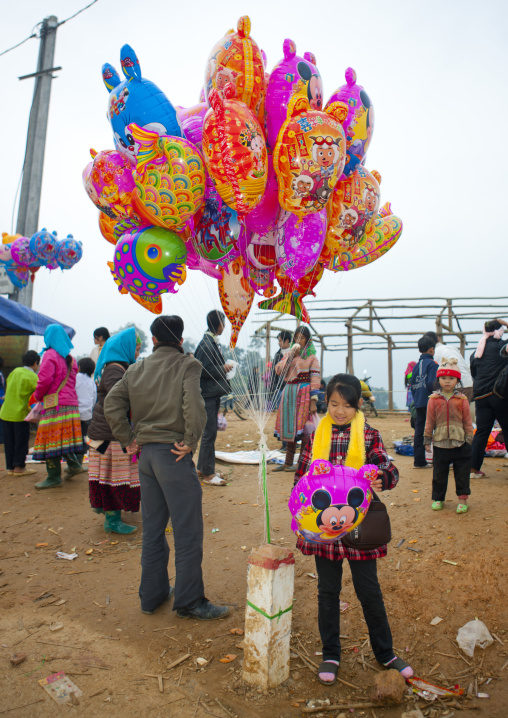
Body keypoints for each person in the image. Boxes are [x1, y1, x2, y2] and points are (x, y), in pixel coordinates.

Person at [104, 315, 229, 620]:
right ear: (181, 338)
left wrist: (129, 440)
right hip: (173, 455)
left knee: (153, 529)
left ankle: (152, 595)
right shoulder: (188, 365)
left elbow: (111, 404)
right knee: (187, 531)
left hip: (145, 457)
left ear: (155, 339)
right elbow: (195, 407)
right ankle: (189, 601)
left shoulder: (137, 368)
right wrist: (190, 441)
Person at [293, 373, 412, 685]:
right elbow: (301, 479)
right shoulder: (315, 434)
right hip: (324, 531)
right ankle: (331, 653)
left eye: (347, 405)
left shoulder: (369, 434)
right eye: (334, 404)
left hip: (359, 529)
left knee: (369, 591)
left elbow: (389, 468)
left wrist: (380, 478)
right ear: (326, 402)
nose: (339, 411)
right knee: (327, 591)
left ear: (358, 404)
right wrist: (302, 515)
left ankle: (385, 653)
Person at [87, 328, 141, 534]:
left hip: (107, 432)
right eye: (136, 349)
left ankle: (110, 514)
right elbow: (119, 401)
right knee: (113, 477)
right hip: (111, 434)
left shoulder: (116, 368)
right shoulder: (114, 371)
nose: (137, 353)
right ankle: (112, 520)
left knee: (109, 476)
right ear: (124, 348)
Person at [32, 325, 84, 489]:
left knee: (51, 441)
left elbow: (44, 380)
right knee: (64, 438)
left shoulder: (50, 355)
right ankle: (74, 465)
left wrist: (38, 397)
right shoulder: (71, 358)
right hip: (70, 405)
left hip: (55, 405)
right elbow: (72, 382)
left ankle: (54, 477)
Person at [424, 358, 474, 513]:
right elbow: (429, 421)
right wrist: (427, 439)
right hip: (440, 443)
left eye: (451, 378)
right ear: (438, 379)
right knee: (439, 473)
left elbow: (467, 420)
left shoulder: (462, 399)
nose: (447, 381)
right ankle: (438, 499)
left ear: (457, 381)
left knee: (462, 472)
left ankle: (463, 500)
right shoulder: (433, 400)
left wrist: (469, 438)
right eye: (444, 378)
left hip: (460, 442)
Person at [273, 325, 321, 471]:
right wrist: (290, 358)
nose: (298, 341)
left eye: (302, 338)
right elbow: (279, 371)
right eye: (296, 338)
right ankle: (288, 462)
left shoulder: (312, 357)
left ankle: (302, 463)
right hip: (289, 393)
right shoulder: (289, 355)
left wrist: (313, 400)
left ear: (307, 339)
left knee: (304, 428)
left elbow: (315, 378)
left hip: (304, 393)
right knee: (289, 426)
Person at [194, 310, 232, 486]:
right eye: (223, 323)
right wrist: (223, 368)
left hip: (212, 393)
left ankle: (203, 467)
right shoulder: (207, 345)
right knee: (209, 433)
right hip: (207, 395)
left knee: (211, 432)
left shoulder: (210, 342)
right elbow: (203, 370)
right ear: (218, 324)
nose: (224, 327)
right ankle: (208, 473)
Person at [470, 319, 508, 478]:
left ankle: (474, 470)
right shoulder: (503, 348)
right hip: (499, 396)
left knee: (481, 433)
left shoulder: (476, 352)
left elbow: (474, 374)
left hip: (481, 396)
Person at [0, 350, 40, 476]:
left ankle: (11, 467)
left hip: (6, 412)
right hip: (20, 413)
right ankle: (19, 467)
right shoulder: (33, 376)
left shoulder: (14, 372)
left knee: (9, 441)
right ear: (35, 363)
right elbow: (38, 393)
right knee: (21, 441)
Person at [410, 335, 438, 468]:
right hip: (430, 401)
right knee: (437, 429)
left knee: (419, 431)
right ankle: (439, 459)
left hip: (418, 402)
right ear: (432, 349)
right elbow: (432, 384)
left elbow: (412, 385)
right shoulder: (432, 364)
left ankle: (419, 461)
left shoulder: (415, 366)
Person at [425, 332, 474, 403]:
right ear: (438, 339)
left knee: (454, 412)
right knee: (464, 412)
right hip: (469, 383)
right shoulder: (452, 348)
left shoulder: (435, 353)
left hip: (456, 386)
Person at [76, 357, 96, 459]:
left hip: (75, 414)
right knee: (84, 438)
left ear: (78, 367)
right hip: (87, 415)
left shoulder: (75, 378)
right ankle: (80, 460)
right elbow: (94, 399)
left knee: (74, 438)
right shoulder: (91, 382)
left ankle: (73, 462)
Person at [269, 330, 293, 410]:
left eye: (280, 340)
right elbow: (273, 373)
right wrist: (274, 387)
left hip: (292, 388)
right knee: (281, 411)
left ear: (286, 341)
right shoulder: (277, 355)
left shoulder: (294, 354)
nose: (278, 343)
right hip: (279, 389)